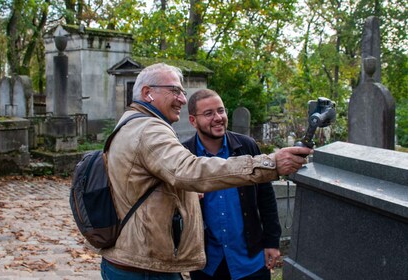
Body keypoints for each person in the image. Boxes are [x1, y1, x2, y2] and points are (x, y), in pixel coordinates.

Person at [100, 63, 311, 280]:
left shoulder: (130, 123)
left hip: (139, 258)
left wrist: (271, 241)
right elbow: (189, 171)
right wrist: (271, 164)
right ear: (148, 93)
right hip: (144, 268)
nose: (182, 98)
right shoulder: (149, 129)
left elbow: (150, 184)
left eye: (182, 92)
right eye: (175, 90)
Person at [183, 89, 281, 280]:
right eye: (209, 113)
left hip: (249, 260)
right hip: (207, 263)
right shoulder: (185, 153)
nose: (218, 118)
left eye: (221, 110)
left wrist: (272, 241)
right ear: (193, 121)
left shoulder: (247, 146)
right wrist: (187, 197)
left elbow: (266, 197)